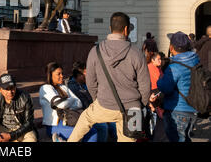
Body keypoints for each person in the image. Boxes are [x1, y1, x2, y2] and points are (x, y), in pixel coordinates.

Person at [67, 12, 151, 142]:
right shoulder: (136, 52)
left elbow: (90, 82)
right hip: (132, 108)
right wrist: (139, 106)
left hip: (104, 104)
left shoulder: (96, 51)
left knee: (85, 118)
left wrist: (98, 99)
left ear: (110, 29)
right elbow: (145, 86)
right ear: (126, 29)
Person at [157, 31, 200, 142]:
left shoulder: (175, 67)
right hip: (193, 108)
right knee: (185, 138)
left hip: (177, 109)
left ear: (171, 48)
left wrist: (160, 80)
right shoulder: (195, 60)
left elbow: (165, 87)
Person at [40, 62, 97, 142]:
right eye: (58, 74)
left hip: (71, 120)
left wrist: (68, 101)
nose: (62, 76)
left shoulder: (63, 87)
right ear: (50, 75)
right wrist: (71, 99)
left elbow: (79, 103)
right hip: (55, 126)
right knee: (91, 132)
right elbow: (61, 105)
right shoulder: (45, 88)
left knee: (94, 130)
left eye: (62, 73)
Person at [0, 74, 37, 142]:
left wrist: (10, 136)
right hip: (1, 127)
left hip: (20, 129)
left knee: (32, 139)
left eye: (12, 88)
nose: (10, 92)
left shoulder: (25, 98)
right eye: (6, 89)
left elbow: (29, 123)